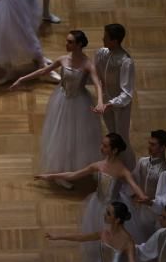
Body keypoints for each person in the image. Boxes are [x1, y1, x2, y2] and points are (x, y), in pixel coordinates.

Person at [12, 32, 106, 177]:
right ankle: (60, 171)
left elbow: (97, 84)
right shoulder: (63, 60)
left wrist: (100, 102)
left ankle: (72, 171)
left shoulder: (88, 64)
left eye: (70, 42)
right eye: (67, 41)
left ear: (79, 44)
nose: (66, 44)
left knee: (76, 137)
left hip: (79, 102)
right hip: (62, 101)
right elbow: (44, 71)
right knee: (60, 135)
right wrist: (22, 79)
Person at [34, 134, 147, 245]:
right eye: (102, 144)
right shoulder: (98, 165)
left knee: (111, 233)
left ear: (115, 150)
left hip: (113, 208)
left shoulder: (122, 170)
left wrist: (143, 197)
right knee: (97, 233)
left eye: (105, 146)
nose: (101, 147)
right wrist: (51, 176)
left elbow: (134, 185)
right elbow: (74, 175)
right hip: (97, 203)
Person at [93, 23, 136, 168]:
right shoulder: (101, 53)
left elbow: (127, 93)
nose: (102, 39)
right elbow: (96, 76)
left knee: (121, 138)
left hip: (120, 106)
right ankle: (115, 166)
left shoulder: (126, 62)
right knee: (112, 135)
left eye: (105, 37)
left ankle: (128, 168)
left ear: (115, 41)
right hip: (106, 102)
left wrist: (110, 103)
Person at [125, 130, 166, 243]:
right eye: (149, 143)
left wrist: (149, 203)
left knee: (150, 241)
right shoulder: (142, 162)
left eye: (153, 144)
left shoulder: (164, 172)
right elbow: (133, 181)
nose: (149, 147)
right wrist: (131, 196)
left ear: (162, 148)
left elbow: (163, 199)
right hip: (138, 209)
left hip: (153, 215)